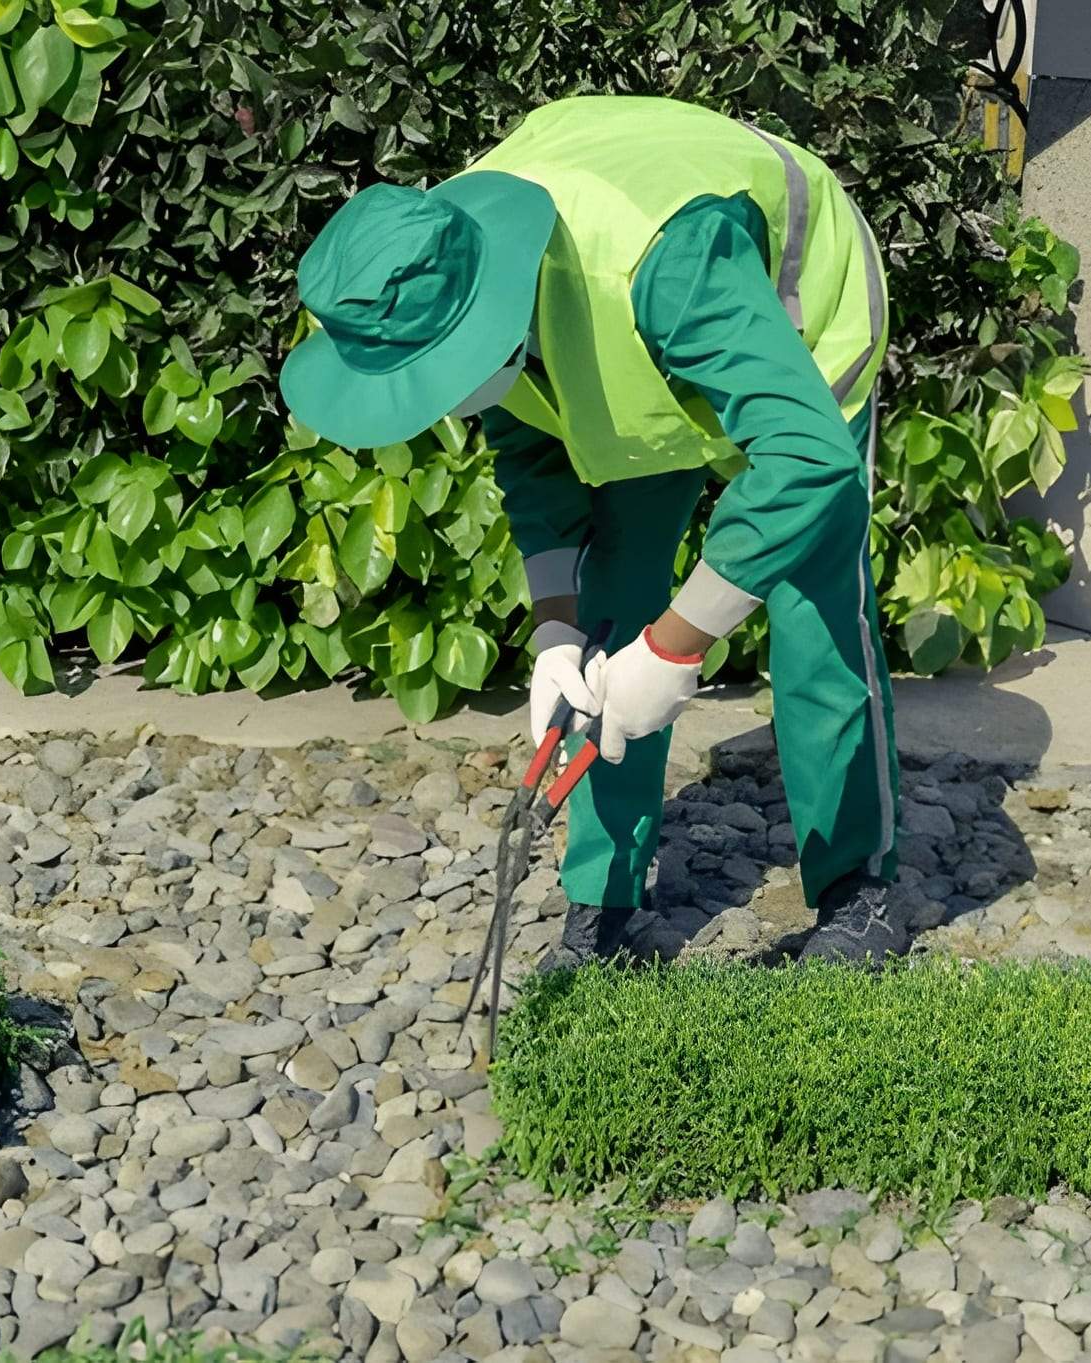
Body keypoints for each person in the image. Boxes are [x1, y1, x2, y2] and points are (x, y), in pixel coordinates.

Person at [278, 95, 906, 964]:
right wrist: (556, 633)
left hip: (791, 328)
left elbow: (807, 461)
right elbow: (534, 454)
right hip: (643, 353)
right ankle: (603, 908)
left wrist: (678, 647)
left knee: (814, 603)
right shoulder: (450, 272)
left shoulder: (664, 262)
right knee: (615, 597)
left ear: (486, 322)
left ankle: (857, 891)